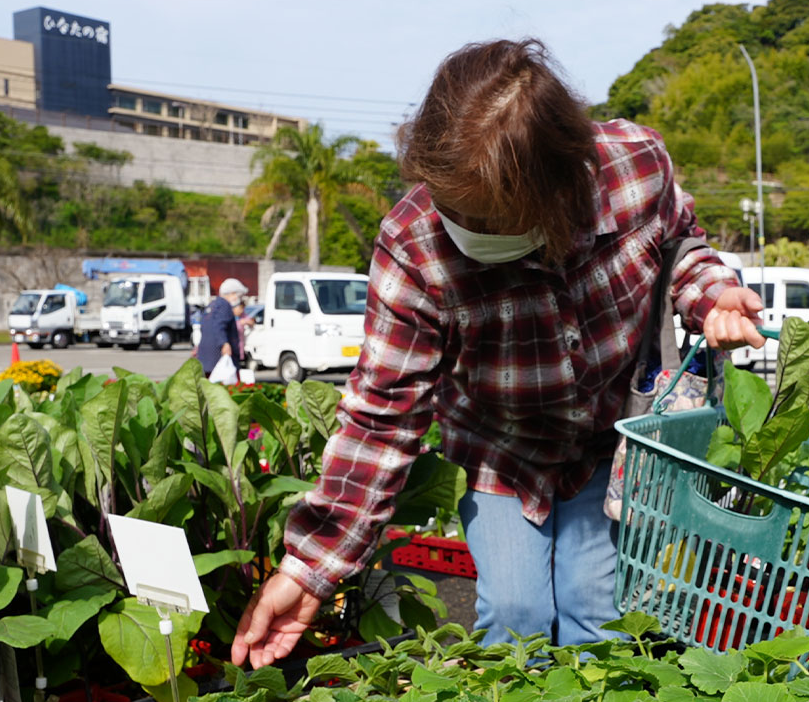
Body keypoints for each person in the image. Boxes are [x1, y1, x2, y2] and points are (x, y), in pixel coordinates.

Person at [231, 39, 765, 668]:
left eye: (488, 220)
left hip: (607, 443)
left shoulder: (634, 167)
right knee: (516, 620)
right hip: (499, 453)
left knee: (599, 613)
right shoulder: (415, 245)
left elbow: (681, 246)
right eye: (452, 207)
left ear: (557, 195)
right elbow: (381, 419)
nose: (464, 227)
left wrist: (712, 294)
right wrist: (310, 569)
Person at [197, 278, 246, 382]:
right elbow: (219, 326)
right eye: (239, 296)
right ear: (232, 294)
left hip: (206, 358)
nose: (239, 300)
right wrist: (224, 343)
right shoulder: (225, 306)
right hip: (218, 357)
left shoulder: (212, 305)